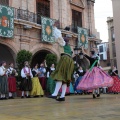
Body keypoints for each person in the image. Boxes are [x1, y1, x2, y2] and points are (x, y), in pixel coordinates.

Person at [48, 21, 74, 101]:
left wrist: (54, 27)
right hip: (70, 62)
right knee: (65, 79)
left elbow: (58, 36)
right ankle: (62, 96)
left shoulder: (63, 43)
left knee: (60, 76)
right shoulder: (69, 47)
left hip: (65, 59)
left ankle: (55, 94)